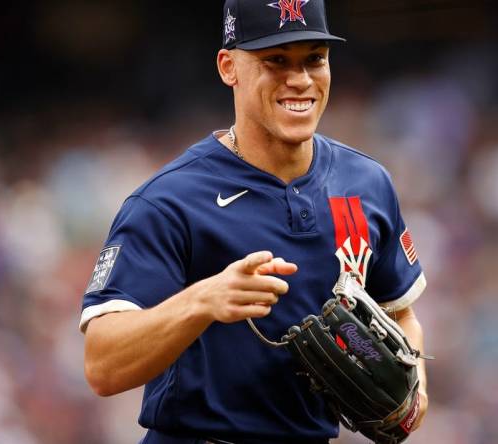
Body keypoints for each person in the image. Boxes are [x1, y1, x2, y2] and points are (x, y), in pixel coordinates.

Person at [81, 0, 429, 442]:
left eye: (313, 60)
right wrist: (202, 300)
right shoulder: (168, 200)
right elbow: (102, 365)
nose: (300, 80)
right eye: (276, 61)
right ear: (229, 67)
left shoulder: (366, 183)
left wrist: (414, 393)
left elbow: (401, 313)